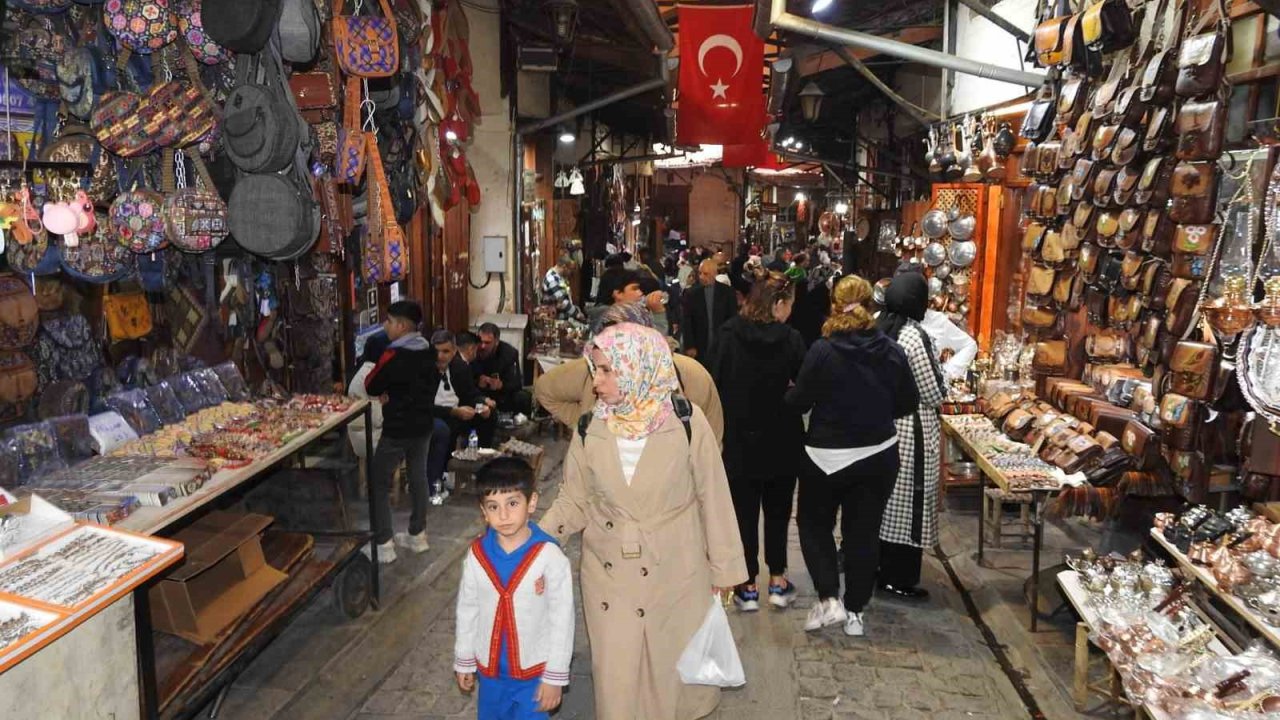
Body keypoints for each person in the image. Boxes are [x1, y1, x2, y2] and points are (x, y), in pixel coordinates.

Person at [538, 322, 746, 720]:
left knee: (672, 683)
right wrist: (532, 542)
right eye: (595, 370)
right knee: (617, 684)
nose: (596, 383)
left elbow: (714, 497)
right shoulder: (590, 426)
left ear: (638, 367)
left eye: (605, 371)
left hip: (678, 568)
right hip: (610, 573)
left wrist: (725, 571)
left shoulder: (688, 423)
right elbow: (574, 500)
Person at [785, 276, 918, 637]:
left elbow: (801, 401)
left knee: (814, 525)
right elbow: (908, 402)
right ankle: (856, 612)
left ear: (834, 303)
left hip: (825, 455)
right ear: (871, 305)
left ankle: (830, 598)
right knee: (863, 533)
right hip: (876, 454)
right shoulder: (892, 350)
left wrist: (789, 393)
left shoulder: (822, 350)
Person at [710, 270, 807, 612]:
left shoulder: (727, 334)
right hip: (782, 437)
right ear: (779, 304)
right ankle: (778, 582)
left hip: (739, 437)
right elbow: (805, 386)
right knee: (779, 513)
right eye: (790, 304)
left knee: (743, 514)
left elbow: (714, 383)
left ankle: (747, 586)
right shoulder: (791, 339)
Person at [454, 457, 574, 719]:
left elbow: (562, 619)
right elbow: (468, 609)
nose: (504, 515)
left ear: (531, 502)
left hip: (534, 674)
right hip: (491, 675)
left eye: (513, 503)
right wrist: (464, 658)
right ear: (483, 512)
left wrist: (554, 676)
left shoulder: (549, 556)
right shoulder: (477, 555)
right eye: (493, 507)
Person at [533, 301, 724, 445]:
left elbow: (711, 446)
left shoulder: (689, 375)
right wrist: (586, 423)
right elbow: (545, 389)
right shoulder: (590, 372)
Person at [876, 272, 948, 600]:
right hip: (911, 431)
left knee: (884, 502)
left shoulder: (879, 325)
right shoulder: (914, 336)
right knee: (909, 505)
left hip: (881, 426)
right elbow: (934, 391)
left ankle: (878, 567)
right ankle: (900, 578)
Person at [363, 302, 437, 563]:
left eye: (390, 321)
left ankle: (383, 543)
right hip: (424, 425)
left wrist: (389, 394)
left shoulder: (394, 354)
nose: (386, 325)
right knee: (418, 476)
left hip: (397, 428)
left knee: (378, 481)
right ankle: (418, 536)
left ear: (402, 326)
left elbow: (371, 384)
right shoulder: (429, 351)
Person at [428, 330, 496, 503]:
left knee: (487, 416)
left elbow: (470, 393)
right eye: (437, 351)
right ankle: (443, 474)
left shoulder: (459, 367)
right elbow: (423, 406)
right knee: (446, 427)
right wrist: (454, 412)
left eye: (446, 351)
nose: (441, 356)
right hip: (436, 414)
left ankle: (479, 469)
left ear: (454, 351)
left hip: (458, 410)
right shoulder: (424, 370)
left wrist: (482, 403)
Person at [681, 258, 737, 365]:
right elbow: (687, 321)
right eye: (700, 273)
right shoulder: (691, 293)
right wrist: (689, 345)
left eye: (705, 274)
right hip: (699, 344)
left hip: (721, 343)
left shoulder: (727, 292)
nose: (701, 277)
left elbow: (732, 319)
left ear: (714, 274)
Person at [347, 331, 389, 461]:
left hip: (367, 435)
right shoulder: (371, 376)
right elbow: (378, 419)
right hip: (370, 439)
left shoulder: (367, 370)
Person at [472, 322, 530, 415]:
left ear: (496, 342)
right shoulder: (472, 350)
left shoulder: (509, 353)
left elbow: (516, 383)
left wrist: (501, 385)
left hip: (501, 394)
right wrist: (478, 382)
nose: (483, 346)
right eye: (480, 341)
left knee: (522, 397)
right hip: (478, 393)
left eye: (487, 343)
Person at [542, 254, 586, 324]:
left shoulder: (560, 278)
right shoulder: (551, 279)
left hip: (565, 317)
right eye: (570, 270)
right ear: (564, 267)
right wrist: (577, 314)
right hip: (556, 319)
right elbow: (562, 301)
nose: (571, 273)